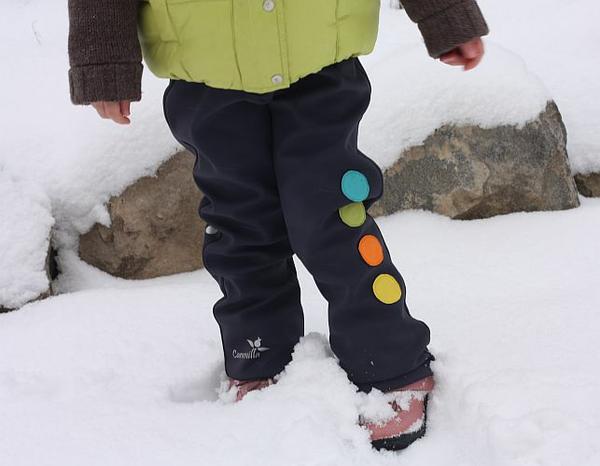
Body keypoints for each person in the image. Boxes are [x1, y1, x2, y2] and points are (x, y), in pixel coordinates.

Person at [68, 0, 488, 451]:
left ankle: (388, 357)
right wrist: (103, 60)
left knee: (335, 219)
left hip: (320, 59)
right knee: (240, 222)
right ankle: (258, 351)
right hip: (206, 72)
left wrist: (445, 14)